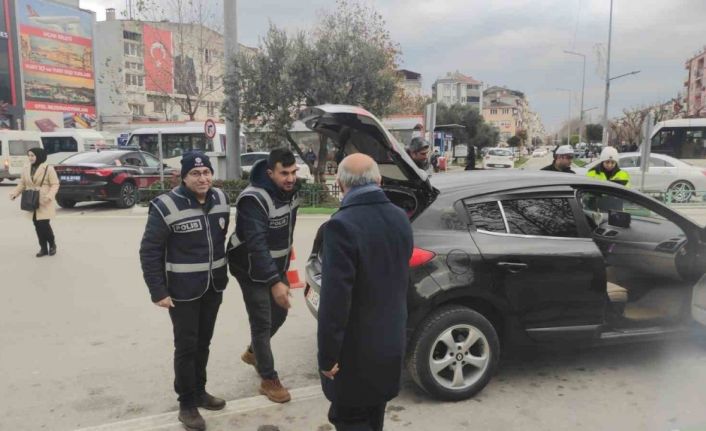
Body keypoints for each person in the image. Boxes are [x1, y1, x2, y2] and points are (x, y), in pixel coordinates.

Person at [318, 153, 413, 431]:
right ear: (379, 180)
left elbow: (335, 301)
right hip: (390, 345)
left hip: (354, 355)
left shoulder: (340, 225)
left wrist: (327, 356)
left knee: (350, 419)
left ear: (339, 183)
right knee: (375, 417)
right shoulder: (400, 218)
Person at [139, 152, 230, 431]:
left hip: (213, 286)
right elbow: (150, 251)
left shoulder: (221, 199)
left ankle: (200, 391)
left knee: (204, 343)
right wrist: (158, 291)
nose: (203, 179)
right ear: (184, 176)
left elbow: (221, 239)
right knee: (186, 347)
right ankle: (187, 403)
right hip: (182, 291)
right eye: (195, 174)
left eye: (206, 173)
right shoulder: (165, 206)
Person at [227, 148, 300, 403]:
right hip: (249, 267)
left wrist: (283, 268)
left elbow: (288, 228)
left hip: (275, 264)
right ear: (270, 173)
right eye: (284, 173)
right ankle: (268, 379)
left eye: (293, 172)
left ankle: (253, 352)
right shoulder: (253, 199)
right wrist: (274, 282)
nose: (290, 178)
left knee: (280, 312)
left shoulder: (292, 191)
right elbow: (256, 243)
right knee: (262, 321)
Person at [9, 147, 60, 257]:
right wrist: (15, 193)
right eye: (29, 155)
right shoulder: (26, 167)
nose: (30, 158)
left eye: (33, 155)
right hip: (31, 200)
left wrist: (50, 196)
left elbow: (55, 184)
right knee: (37, 225)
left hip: (44, 200)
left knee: (44, 224)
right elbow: (22, 183)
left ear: (39, 156)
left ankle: (52, 245)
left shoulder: (48, 168)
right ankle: (43, 248)